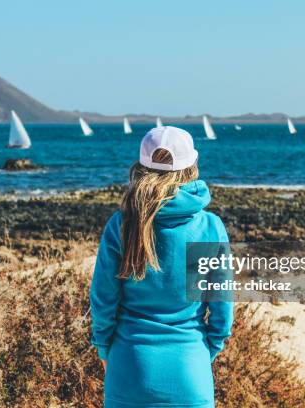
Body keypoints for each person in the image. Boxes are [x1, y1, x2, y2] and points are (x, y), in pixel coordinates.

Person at [90, 126, 234, 407]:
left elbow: (103, 301)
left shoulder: (121, 224)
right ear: (191, 167)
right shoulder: (209, 226)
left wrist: (105, 349)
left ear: (140, 167)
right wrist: (208, 351)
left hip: (128, 365)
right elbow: (222, 309)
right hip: (189, 370)